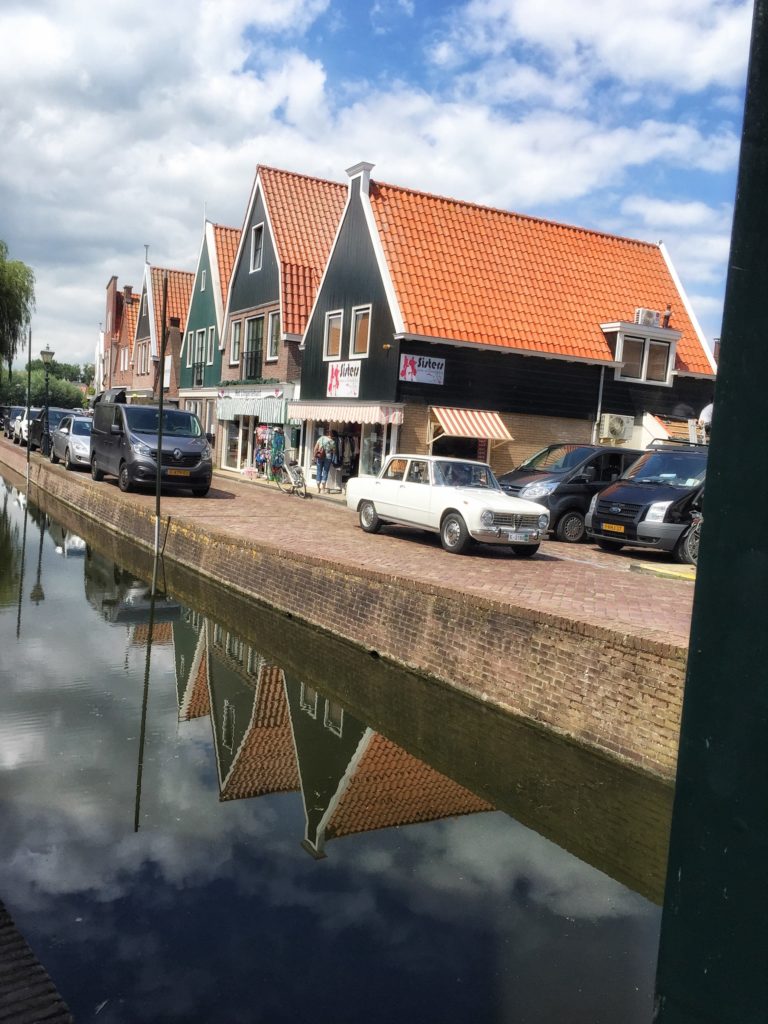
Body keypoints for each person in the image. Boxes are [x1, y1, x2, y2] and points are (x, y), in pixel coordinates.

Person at [314, 427, 336, 492]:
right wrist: (329, 451)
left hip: (319, 456)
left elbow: (315, 448)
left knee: (319, 471)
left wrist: (314, 456)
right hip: (328, 457)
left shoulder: (321, 438)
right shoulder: (332, 441)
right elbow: (334, 451)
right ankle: (323, 487)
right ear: (331, 435)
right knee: (325, 471)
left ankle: (318, 488)